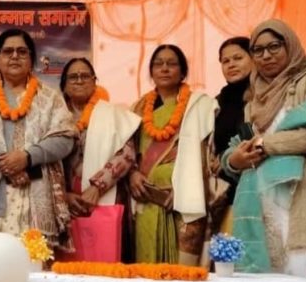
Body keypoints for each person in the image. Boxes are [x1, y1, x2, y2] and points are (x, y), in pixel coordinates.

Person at [220, 19, 306, 282]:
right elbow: (242, 143)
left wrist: (264, 145)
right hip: (262, 203)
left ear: (289, 44)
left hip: (305, 194)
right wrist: (233, 160)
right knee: (268, 281)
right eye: (258, 50)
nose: (266, 55)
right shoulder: (255, 95)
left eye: (274, 46)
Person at [0, 29, 76, 251]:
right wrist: (2, 161)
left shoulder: (50, 98)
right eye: (8, 51)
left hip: (37, 192)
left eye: (22, 51)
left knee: (35, 264)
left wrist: (27, 158)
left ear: (31, 59)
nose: (14, 56)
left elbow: (65, 139)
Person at [128, 44, 217, 265]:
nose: (164, 68)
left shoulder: (199, 106)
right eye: (158, 64)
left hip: (183, 199)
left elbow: (207, 154)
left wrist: (185, 189)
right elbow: (126, 151)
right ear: (151, 71)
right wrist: (132, 174)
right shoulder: (138, 108)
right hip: (146, 198)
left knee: (182, 272)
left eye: (171, 64)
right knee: (146, 270)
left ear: (183, 71)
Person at [58, 57, 139, 262]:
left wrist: (97, 186)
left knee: (105, 262)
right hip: (63, 201)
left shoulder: (113, 114)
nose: (79, 80)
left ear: (95, 82)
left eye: (85, 76)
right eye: (73, 77)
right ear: (64, 85)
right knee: (67, 268)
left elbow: (127, 154)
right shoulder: (53, 116)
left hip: (105, 196)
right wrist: (63, 195)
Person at [210, 37, 255, 235]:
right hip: (224, 192)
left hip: (256, 184)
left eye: (238, 58)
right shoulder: (217, 103)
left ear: (253, 58)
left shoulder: (264, 95)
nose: (231, 65)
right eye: (225, 61)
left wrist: (227, 158)